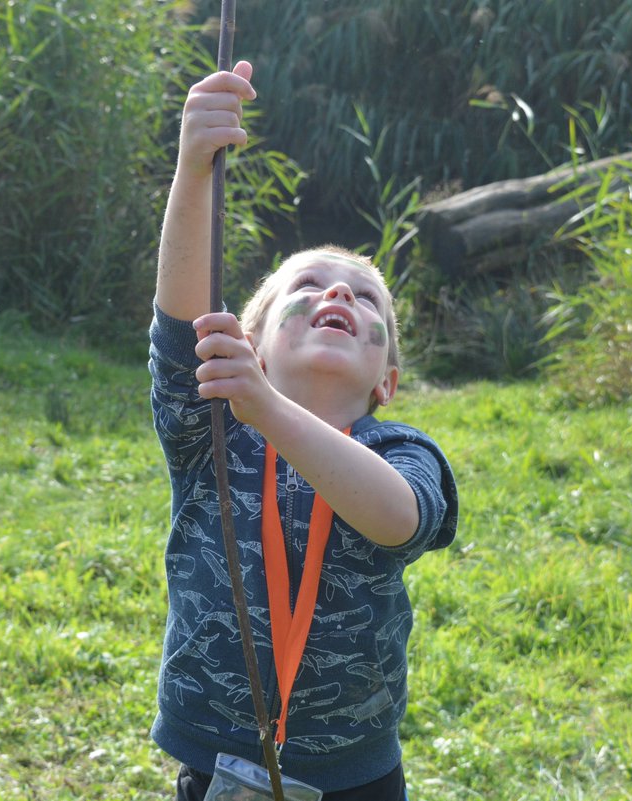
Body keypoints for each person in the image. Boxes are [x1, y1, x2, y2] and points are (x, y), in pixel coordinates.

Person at [148, 60, 458, 801]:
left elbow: (396, 518)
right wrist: (194, 167)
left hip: (357, 776)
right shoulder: (214, 429)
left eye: (364, 296)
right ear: (248, 348)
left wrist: (268, 408)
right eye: (309, 286)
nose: (339, 291)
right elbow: (180, 317)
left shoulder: (398, 452)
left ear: (385, 381)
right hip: (219, 767)